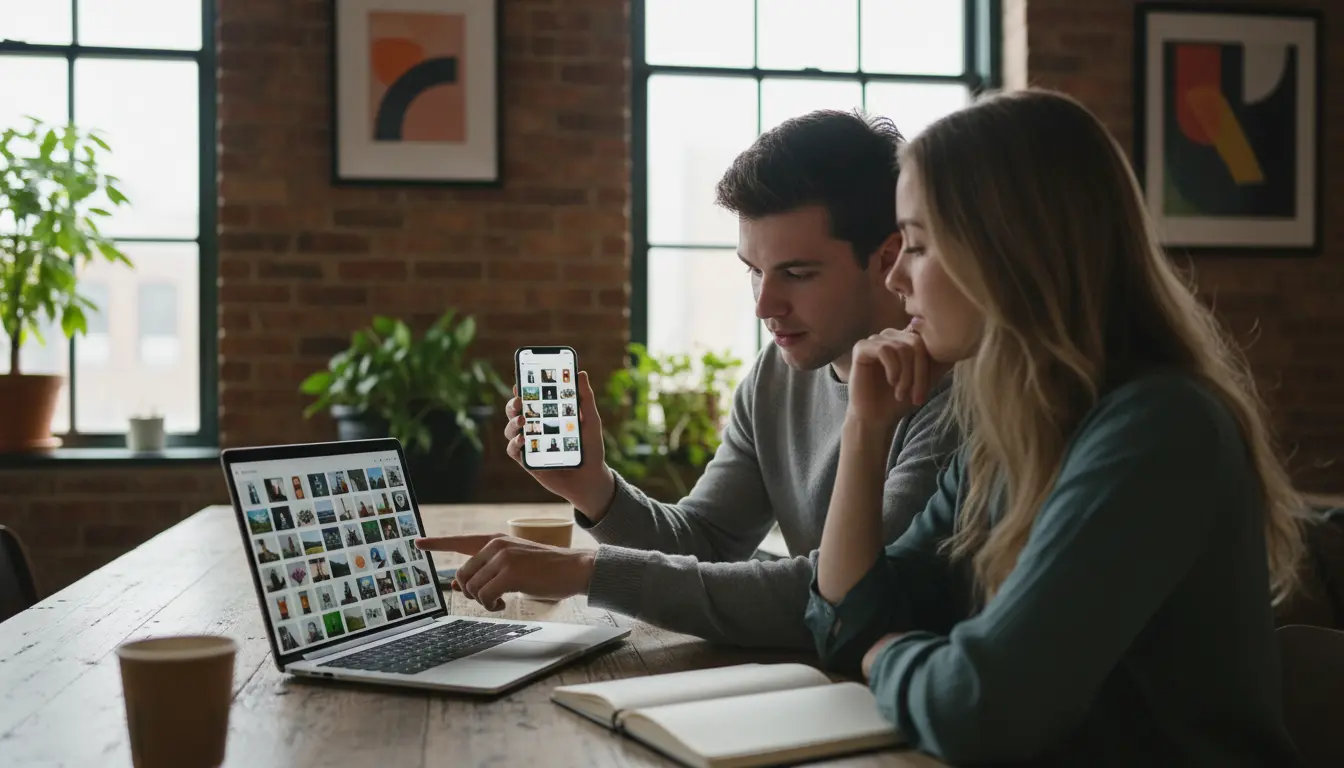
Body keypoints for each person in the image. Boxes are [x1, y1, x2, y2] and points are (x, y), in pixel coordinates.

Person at [808, 88, 1305, 765]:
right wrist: (866, 431)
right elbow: (845, 622)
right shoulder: (1006, 435)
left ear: (1009, 253)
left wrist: (892, 654)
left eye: (918, 246)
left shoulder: (1156, 430)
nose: (893, 276)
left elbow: (982, 708)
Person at [414, 109, 960, 649]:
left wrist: (586, 571)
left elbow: (840, 598)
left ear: (887, 257)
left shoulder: (952, 396)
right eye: (753, 270)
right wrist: (595, 489)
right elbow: (708, 541)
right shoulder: (776, 374)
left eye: (797, 274)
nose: (764, 306)